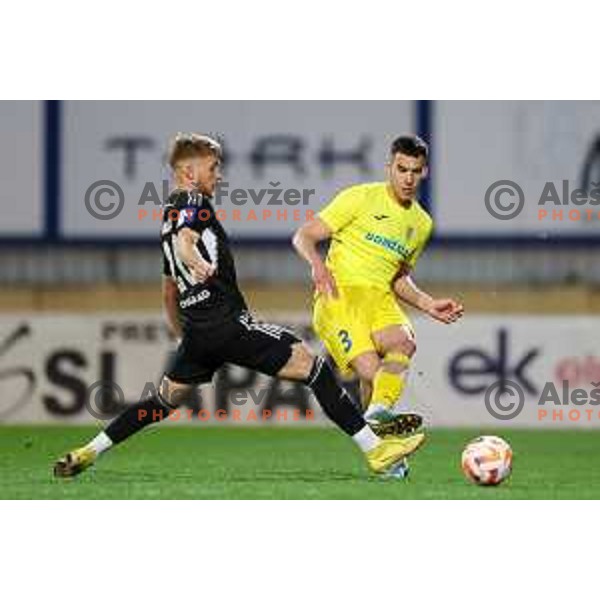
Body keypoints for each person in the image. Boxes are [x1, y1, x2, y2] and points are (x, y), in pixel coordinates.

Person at [54, 133, 425, 479]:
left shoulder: (167, 215)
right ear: (189, 171)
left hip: (199, 332)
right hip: (228, 323)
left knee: (162, 403)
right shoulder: (194, 203)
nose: (219, 175)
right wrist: (198, 263)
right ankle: (376, 450)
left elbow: (169, 291)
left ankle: (91, 450)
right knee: (316, 371)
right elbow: (187, 242)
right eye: (213, 168)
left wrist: (189, 336)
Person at [293, 135, 464, 428]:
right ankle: (380, 431)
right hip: (339, 296)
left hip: (380, 298)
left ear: (424, 172)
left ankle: (376, 421)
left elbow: (398, 276)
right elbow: (304, 236)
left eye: (415, 171)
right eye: (402, 169)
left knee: (403, 342)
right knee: (373, 372)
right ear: (389, 168)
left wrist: (427, 303)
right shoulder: (360, 197)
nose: (408, 178)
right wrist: (318, 266)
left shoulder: (422, 224)